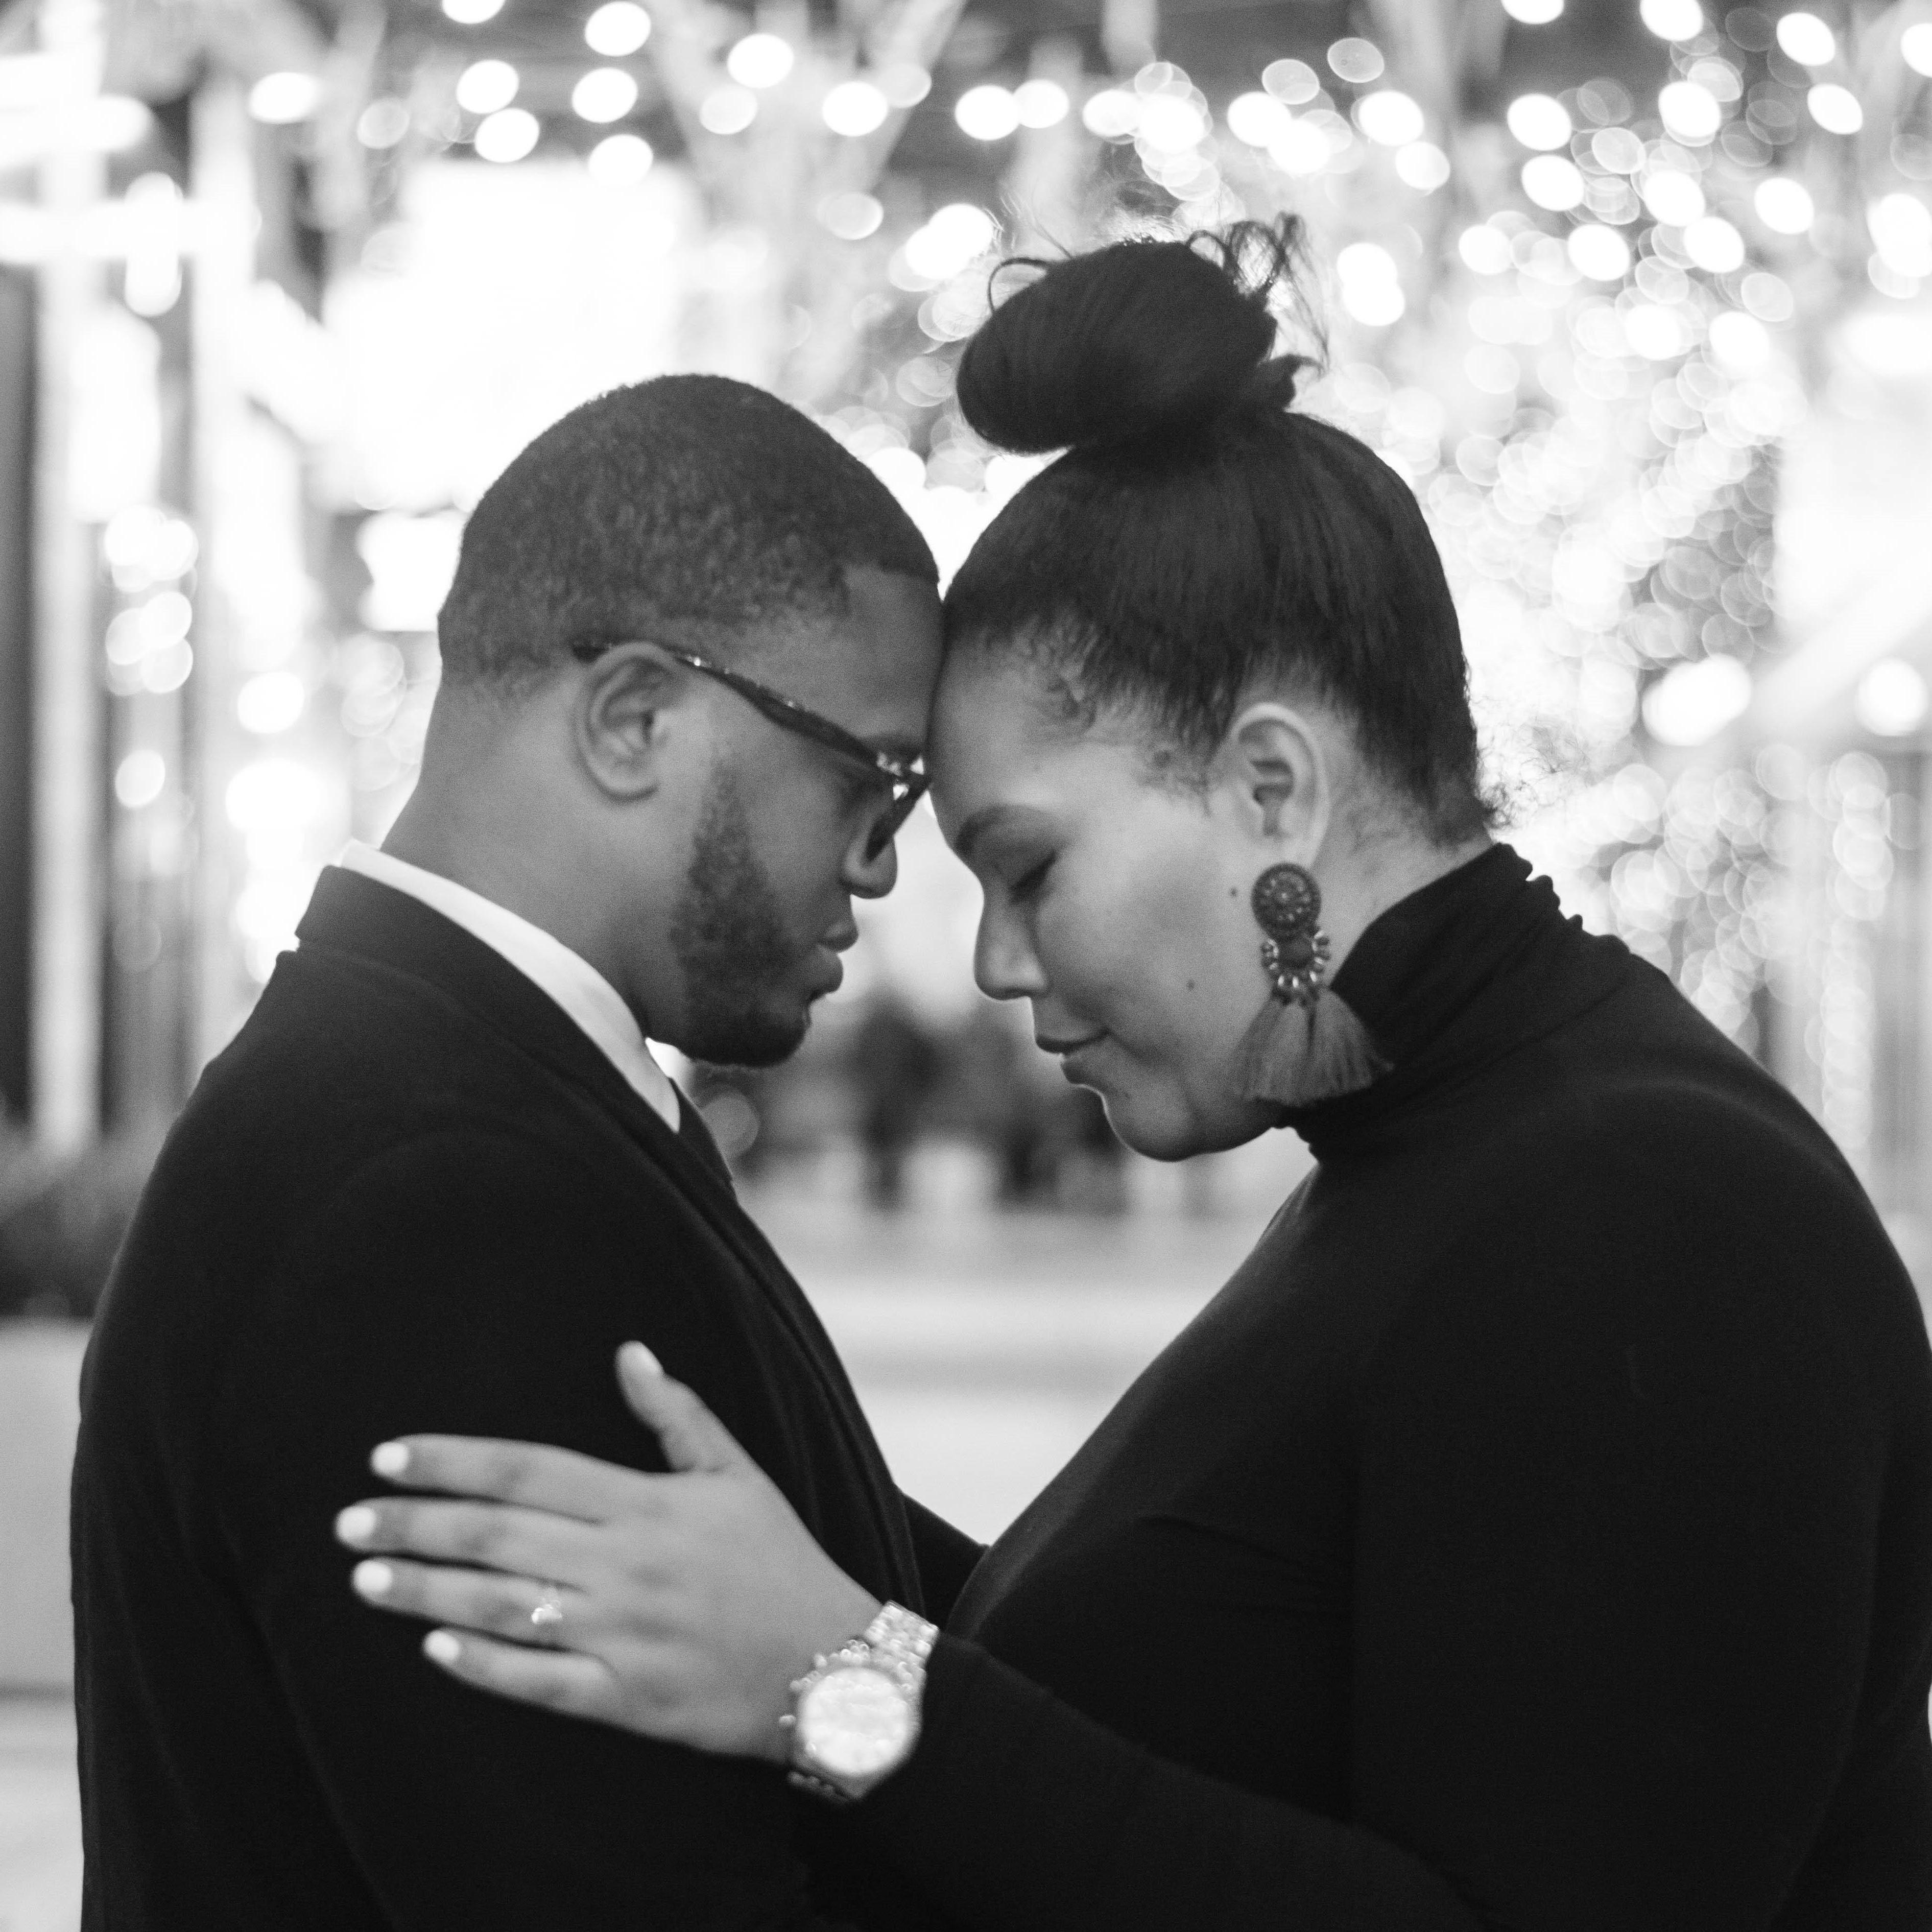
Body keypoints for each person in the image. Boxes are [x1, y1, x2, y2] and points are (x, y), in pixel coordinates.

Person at [336, 224, 1932, 1928]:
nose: (996, 964)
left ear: (1269, 791)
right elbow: (1195, 1688)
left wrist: (843, 1688)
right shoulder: (1451, 1161)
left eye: (1028, 868)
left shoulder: (1646, 1215)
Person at [68, 375, 972, 1930]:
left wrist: (876, 1670)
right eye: (869, 778)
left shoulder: (471, 1094)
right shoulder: (429, 1191)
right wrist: (875, 1685)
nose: (885, 866)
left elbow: (854, 1587)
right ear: (634, 717)